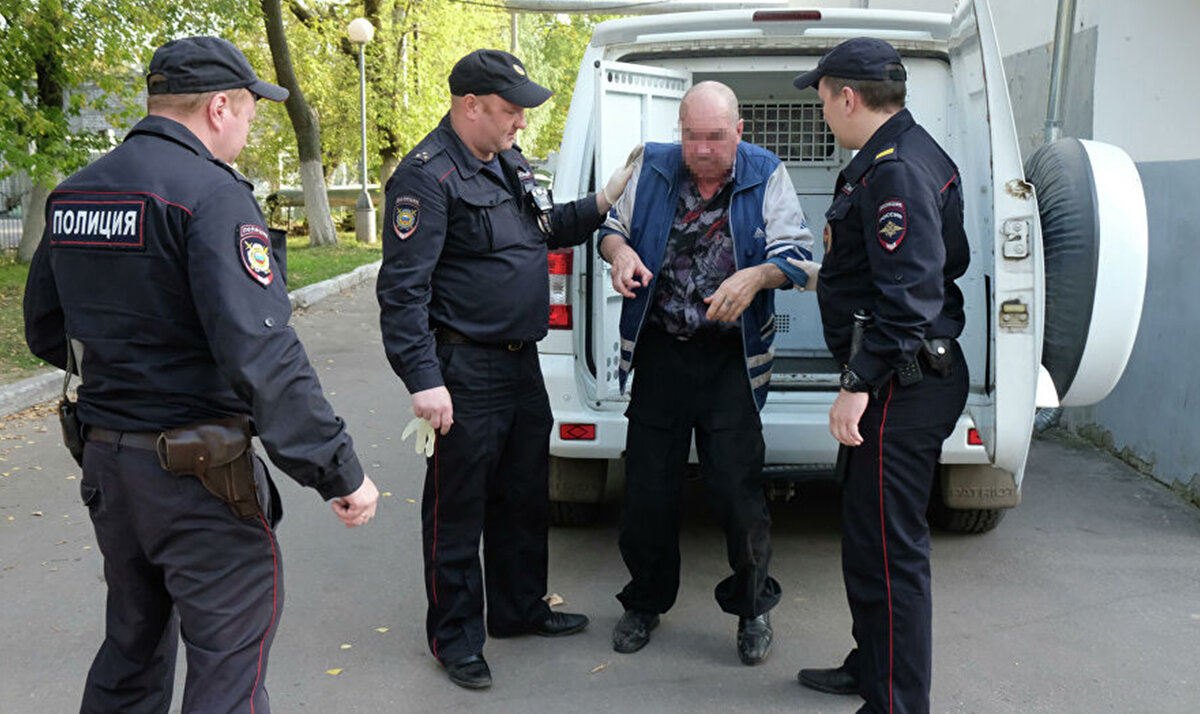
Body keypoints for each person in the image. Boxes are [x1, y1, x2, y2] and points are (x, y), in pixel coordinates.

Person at [22, 36, 379, 713]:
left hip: (109, 468)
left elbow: (46, 329)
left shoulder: (75, 194)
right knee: (227, 659)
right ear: (220, 106)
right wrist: (339, 471)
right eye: (249, 111)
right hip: (198, 480)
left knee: (131, 646)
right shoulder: (212, 197)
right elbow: (262, 352)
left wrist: (127, 372)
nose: (249, 126)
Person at [376, 49, 636, 690]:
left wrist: (605, 198)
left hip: (521, 367)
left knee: (524, 497)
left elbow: (543, 228)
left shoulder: (506, 165)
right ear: (470, 106)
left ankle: (519, 610)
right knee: (457, 510)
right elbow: (402, 293)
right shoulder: (427, 179)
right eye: (510, 111)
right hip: (462, 370)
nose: (521, 122)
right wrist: (423, 381)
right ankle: (456, 638)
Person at [598, 81, 814, 665]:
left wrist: (754, 277)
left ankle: (752, 609)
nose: (701, 150)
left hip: (729, 360)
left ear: (739, 131)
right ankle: (644, 602)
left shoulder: (767, 173)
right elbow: (610, 229)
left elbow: (798, 256)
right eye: (691, 136)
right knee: (646, 489)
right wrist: (619, 254)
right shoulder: (653, 165)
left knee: (737, 494)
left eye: (715, 138)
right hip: (662, 353)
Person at [791, 37, 971, 714]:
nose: (820, 108)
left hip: (902, 380)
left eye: (822, 95)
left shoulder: (893, 170)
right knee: (867, 534)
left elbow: (911, 298)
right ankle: (873, 666)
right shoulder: (900, 155)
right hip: (903, 372)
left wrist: (857, 385)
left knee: (892, 552)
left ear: (848, 95)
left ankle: (895, 702)